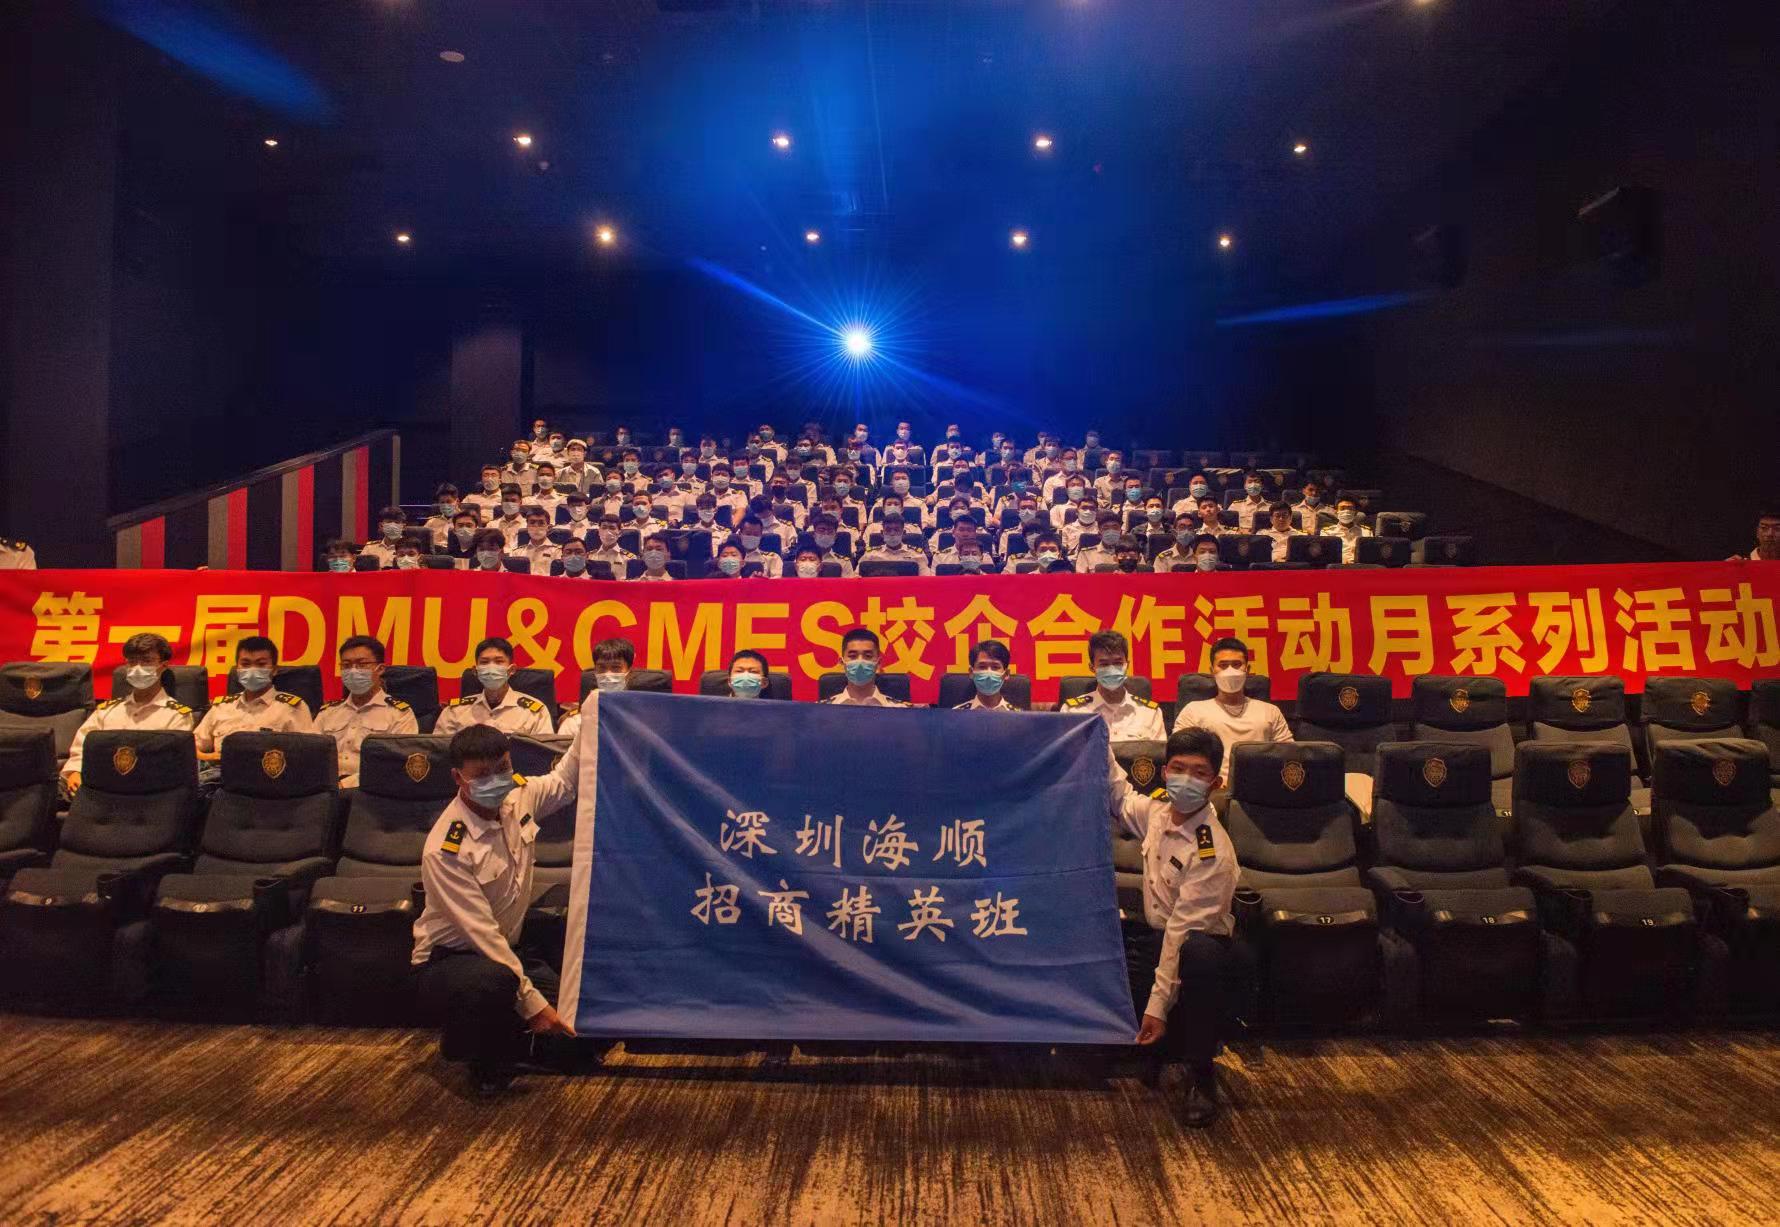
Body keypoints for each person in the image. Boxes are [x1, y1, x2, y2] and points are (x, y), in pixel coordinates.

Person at [412, 724, 578, 1095]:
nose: (497, 781)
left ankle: (508, 1039)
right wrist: (534, 1006)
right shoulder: (446, 849)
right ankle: (475, 1054)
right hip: (452, 961)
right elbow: (482, 936)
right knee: (495, 984)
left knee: (577, 1040)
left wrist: (591, 715)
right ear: (459, 778)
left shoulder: (518, 796)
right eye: (483, 774)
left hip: (509, 949)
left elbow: (566, 781)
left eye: (502, 768)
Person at [1107, 727, 1238, 1128]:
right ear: (1164, 772)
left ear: (1216, 783)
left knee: (1197, 956)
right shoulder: (1158, 814)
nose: (1186, 779)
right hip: (1157, 936)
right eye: (1178, 768)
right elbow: (1119, 796)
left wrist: (1156, 1008)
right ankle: (1161, 1048)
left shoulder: (1211, 849)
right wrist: (1096, 741)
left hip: (1202, 948)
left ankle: (1202, 1075)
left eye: (1199, 773)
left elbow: (1181, 935)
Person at [61, 633, 195, 796]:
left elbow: (173, 765)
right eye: (132, 662)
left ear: (164, 665)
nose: (138, 668)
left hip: (150, 793)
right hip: (101, 789)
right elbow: (81, 747)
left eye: (147, 661)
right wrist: (75, 772)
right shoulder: (106, 711)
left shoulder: (176, 715)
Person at [1171, 637, 1292, 790]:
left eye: (1236, 664)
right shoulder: (1193, 711)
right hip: (1212, 789)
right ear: (1212, 671)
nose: (1230, 671)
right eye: (1223, 665)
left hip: (1261, 790)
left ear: (1247, 670)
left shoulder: (1270, 711)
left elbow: (1290, 756)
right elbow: (1179, 756)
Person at [314, 635, 419, 787]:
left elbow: (396, 763)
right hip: (325, 789)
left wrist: (346, 784)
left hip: (371, 791)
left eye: (362, 664)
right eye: (346, 665)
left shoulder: (400, 714)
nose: (353, 671)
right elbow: (310, 753)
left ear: (380, 669)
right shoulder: (328, 712)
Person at [435, 638, 555, 736]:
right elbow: (438, 751)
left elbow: (542, 754)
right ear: (475, 671)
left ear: (512, 670)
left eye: (499, 662)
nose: (491, 668)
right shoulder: (454, 711)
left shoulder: (534, 713)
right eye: (484, 662)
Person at [1062, 630, 1165, 741]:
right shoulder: (1072, 712)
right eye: (1104, 664)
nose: (1111, 669)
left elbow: (1158, 752)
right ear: (1092, 667)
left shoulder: (1150, 713)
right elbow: (1066, 750)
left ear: (1127, 665)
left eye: (1117, 663)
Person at [826, 628, 907, 706]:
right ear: (842, 662)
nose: (860, 662)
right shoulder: (824, 709)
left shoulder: (901, 710)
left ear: (878, 663)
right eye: (853, 656)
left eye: (868, 656)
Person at [955, 639, 1019, 711]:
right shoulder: (956, 714)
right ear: (971, 672)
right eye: (982, 667)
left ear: (1006, 674)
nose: (989, 673)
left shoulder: (1017, 716)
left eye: (995, 667)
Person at [859, 510, 930, 575]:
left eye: (896, 530)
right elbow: (857, 578)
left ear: (903, 533)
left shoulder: (917, 555)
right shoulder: (870, 555)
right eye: (888, 530)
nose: (892, 533)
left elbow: (926, 580)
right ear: (882, 533)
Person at [1319, 496, 1373, 563]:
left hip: (1360, 566)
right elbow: (1325, 555)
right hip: (1337, 566)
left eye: (1350, 508)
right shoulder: (1327, 532)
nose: (1346, 511)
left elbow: (1369, 554)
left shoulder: (1366, 532)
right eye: (1342, 508)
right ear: (1336, 511)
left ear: (1356, 512)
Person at [513, 508, 559, 575]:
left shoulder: (557, 552)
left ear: (548, 528)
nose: (536, 526)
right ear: (527, 527)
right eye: (532, 522)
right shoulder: (517, 553)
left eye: (541, 523)